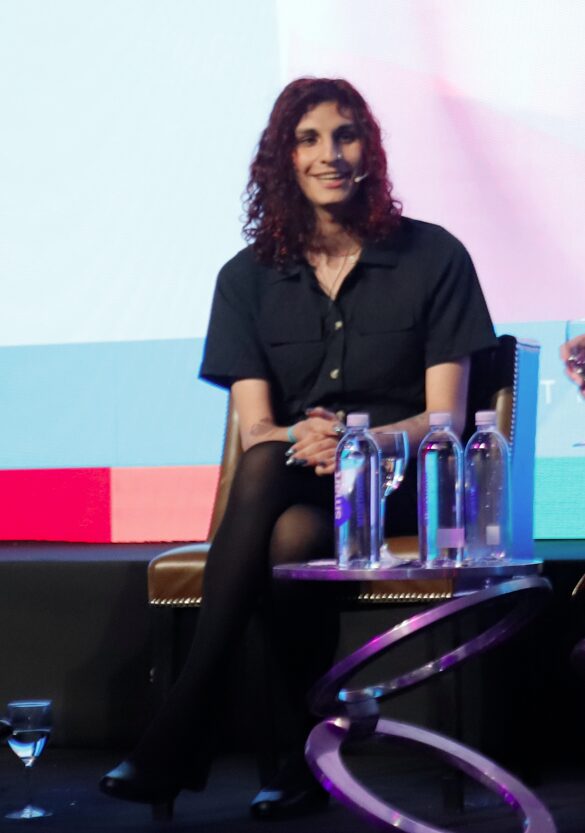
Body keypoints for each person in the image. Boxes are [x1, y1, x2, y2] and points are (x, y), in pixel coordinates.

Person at [99, 77, 497, 819]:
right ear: (282, 158)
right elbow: (257, 428)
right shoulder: (245, 278)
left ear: (369, 150)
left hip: (400, 489)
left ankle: (186, 726)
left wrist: (357, 441)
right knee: (285, 526)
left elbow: (443, 414)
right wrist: (305, 437)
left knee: (280, 513)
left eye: (345, 135)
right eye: (308, 139)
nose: (329, 154)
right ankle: (295, 763)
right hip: (295, 479)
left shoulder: (434, 256)